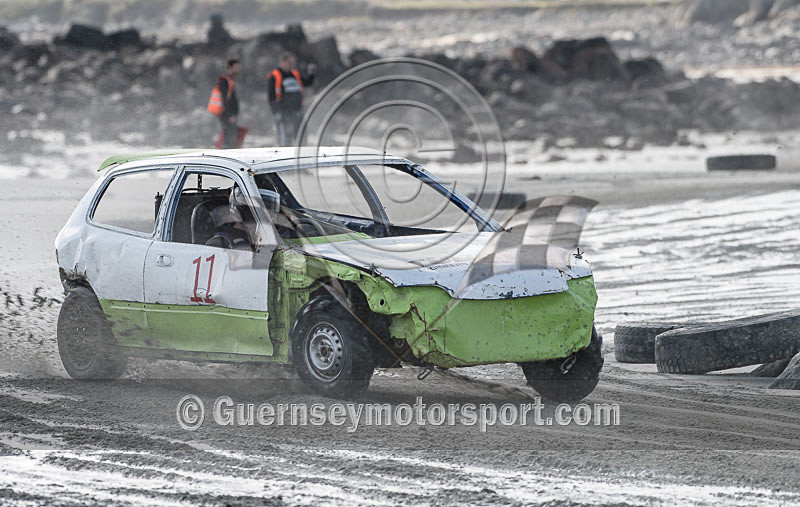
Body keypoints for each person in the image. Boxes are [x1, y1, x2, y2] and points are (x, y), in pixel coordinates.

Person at [267, 53, 316, 146]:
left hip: (297, 110)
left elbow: (307, 83)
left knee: (301, 136)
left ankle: (301, 156)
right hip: (283, 112)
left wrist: (311, 73)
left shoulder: (295, 74)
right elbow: (271, 95)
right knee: (285, 138)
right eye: (289, 62)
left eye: (293, 63)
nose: (292, 65)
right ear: (283, 62)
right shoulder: (275, 75)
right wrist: (275, 112)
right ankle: (284, 157)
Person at [208, 59, 241, 149]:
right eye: (236, 67)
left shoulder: (229, 80)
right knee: (228, 135)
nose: (238, 69)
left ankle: (227, 150)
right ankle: (226, 153)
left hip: (227, 114)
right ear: (229, 68)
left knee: (229, 134)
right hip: (226, 114)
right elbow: (225, 100)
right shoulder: (224, 81)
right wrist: (230, 115)